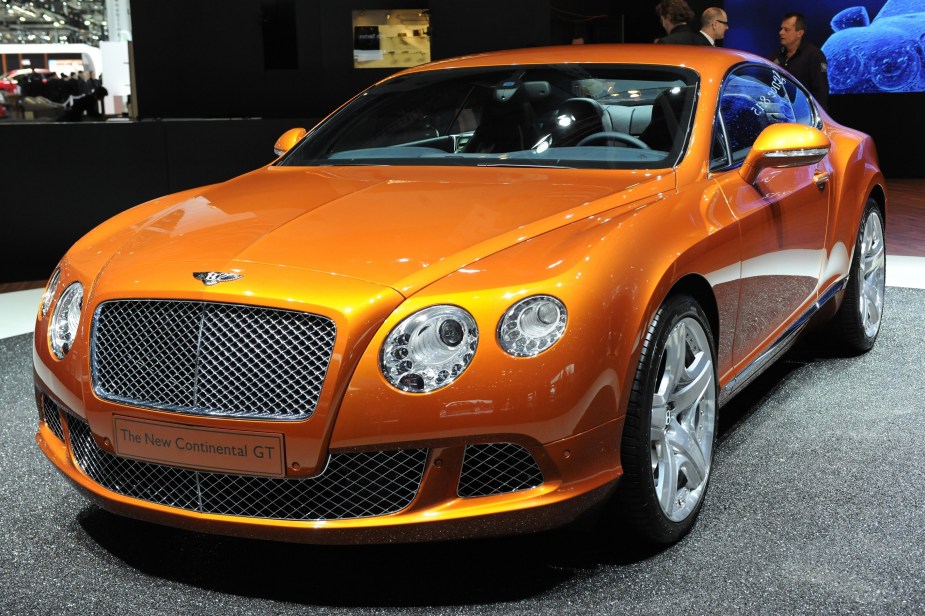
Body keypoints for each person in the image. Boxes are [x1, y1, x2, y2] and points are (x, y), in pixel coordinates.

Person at [771, 12, 829, 110]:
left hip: (805, 116)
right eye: (781, 29)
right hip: (780, 115)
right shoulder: (775, 57)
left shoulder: (815, 55)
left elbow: (821, 91)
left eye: (786, 30)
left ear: (800, 33)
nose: (781, 32)